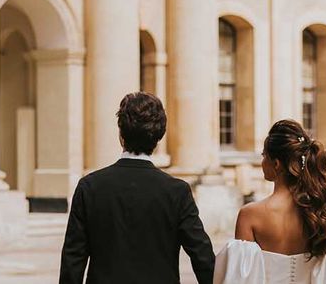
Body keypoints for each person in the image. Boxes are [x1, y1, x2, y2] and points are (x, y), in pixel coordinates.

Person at [59, 92, 215, 284]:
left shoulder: (90, 186)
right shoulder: (177, 191)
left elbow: (72, 260)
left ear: (120, 134)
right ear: (158, 138)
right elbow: (202, 256)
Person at [214, 119, 326, 283]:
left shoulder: (250, 214)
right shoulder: (320, 213)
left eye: (263, 156)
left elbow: (240, 279)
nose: (262, 162)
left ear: (276, 164)